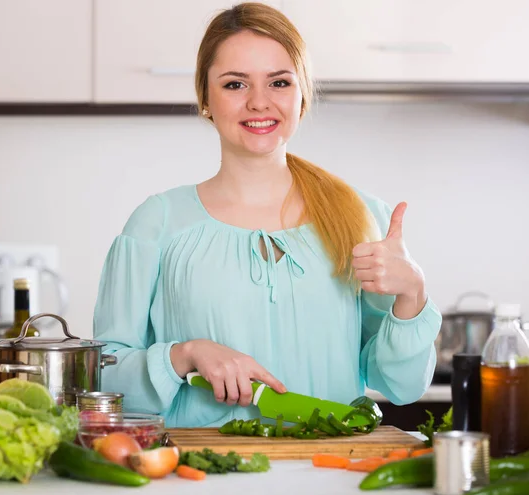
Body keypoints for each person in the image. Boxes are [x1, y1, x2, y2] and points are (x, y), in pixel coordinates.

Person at [93, 2, 442, 428]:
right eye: (235, 84)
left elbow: (402, 386)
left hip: (329, 478)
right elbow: (103, 374)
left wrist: (412, 296)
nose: (259, 103)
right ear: (206, 98)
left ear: (302, 95)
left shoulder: (362, 216)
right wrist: (184, 354)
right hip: (202, 477)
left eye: (279, 82)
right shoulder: (156, 223)